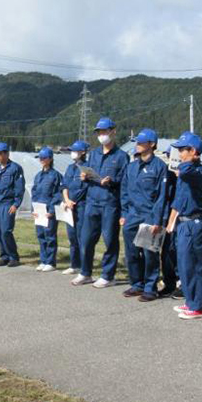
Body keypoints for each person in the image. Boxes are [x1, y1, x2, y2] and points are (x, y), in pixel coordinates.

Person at [72, 117, 130, 288]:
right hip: (92, 201)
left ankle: (108, 275)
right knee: (86, 239)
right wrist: (85, 176)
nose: (102, 135)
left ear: (113, 131)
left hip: (110, 203)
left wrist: (111, 181)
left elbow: (124, 181)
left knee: (110, 240)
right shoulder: (94, 154)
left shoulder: (121, 157)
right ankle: (85, 272)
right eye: (99, 132)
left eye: (105, 131)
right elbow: (89, 173)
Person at [120, 129, 167, 301]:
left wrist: (157, 220)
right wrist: (124, 213)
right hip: (132, 215)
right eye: (136, 142)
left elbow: (162, 197)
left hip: (149, 215)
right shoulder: (131, 167)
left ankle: (150, 287)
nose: (137, 145)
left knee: (149, 254)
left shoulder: (159, 167)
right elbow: (124, 192)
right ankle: (137, 284)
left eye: (141, 142)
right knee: (131, 253)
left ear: (152, 145)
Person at [167, 132, 202, 319]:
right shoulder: (186, 172)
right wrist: (171, 222)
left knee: (193, 265)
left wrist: (185, 161)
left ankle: (198, 306)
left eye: (182, 150)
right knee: (184, 265)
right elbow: (179, 199)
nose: (179, 155)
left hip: (194, 222)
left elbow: (184, 170)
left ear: (193, 151)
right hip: (183, 222)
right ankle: (190, 300)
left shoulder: (198, 169)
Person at [0, 142, 26, 267]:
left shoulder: (15, 168)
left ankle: (13, 257)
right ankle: (4, 256)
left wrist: (16, 204)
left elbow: (19, 188)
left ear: (6, 153)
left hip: (7, 204)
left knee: (6, 231)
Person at [31, 147, 63, 272]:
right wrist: (33, 209)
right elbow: (34, 193)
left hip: (49, 210)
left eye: (44, 158)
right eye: (40, 158)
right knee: (41, 235)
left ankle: (51, 262)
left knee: (50, 235)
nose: (41, 160)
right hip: (39, 210)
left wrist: (51, 210)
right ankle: (43, 260)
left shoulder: (56, 176)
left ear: (50, 159)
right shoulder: (38, 176)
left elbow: (58, 194)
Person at [61, 140, 90, 275]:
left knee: (81, 237)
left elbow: (85, 187)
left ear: (83, 152)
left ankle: (84, 267)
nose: (72, 153)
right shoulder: (70, 168)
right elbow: (64, 185)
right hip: (69, 206)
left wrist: (73, 201)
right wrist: (67, 200)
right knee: (72, 236)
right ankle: (74, 264)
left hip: (81, 206)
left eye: (74, 150)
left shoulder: (87, 168)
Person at [159, 146, 179, 297]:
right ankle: (170, 281)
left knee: (181, 251)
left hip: (183, 215)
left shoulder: (190, 171)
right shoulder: (166, 172)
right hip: (168, 214)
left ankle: (180, 280)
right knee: (167, 250)